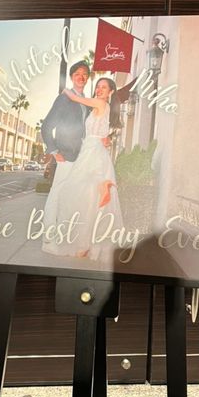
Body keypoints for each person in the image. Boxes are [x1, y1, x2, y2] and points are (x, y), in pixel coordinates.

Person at [45, 77, 123, 263]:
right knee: (89, 198)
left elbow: (76, 98)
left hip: (92, 154)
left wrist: (66, 90)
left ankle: (84, 244)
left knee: (81, 195)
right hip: (92, 151)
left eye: (104, 87)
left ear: (111, 92)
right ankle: (87, 244)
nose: (99, 89)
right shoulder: (103, 107)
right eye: (98, 86)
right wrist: (106, 139)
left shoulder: (99, 103)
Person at [40, 60, 90, 254]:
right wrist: (54, 151)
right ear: (71, 77)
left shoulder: (86, 101)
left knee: (71, 198)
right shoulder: (64, 98)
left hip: (82, 158)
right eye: (77, 73)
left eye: (84, 74)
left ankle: (64, 236)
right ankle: (48, 240)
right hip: (66, 156)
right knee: (56, 196)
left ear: (87, 78)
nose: (81, 77)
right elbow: (47, 126)